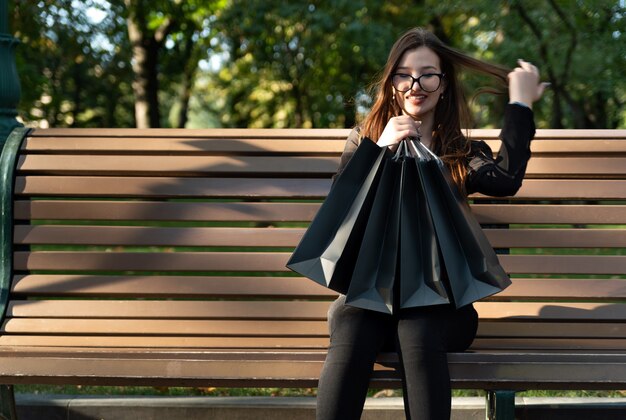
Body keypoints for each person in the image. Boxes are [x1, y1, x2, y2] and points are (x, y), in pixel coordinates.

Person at [316, 27, 548, 420]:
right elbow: (339, 210)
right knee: (351, 322)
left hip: (442, 309)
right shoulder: (365, 140)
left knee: (418, 326)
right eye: (403, 75)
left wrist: (520, 103)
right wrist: (379, 150)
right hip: (371, 303)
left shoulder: (462, 151)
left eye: (428, 74)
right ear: (391, 85)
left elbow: (506, 180)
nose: (415, 85)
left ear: (443, 84)